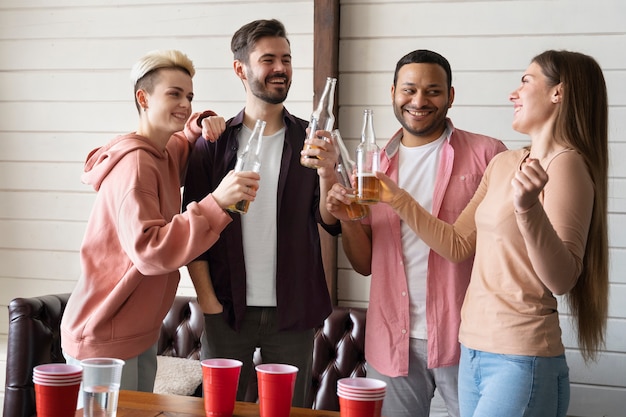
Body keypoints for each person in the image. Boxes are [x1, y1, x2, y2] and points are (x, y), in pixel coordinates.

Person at [363, 50, 609, 417]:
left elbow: (561, 279)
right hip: (472, 350)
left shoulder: (567, 165)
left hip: (522, 357)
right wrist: (395, 197)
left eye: (526, 81)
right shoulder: (505, 162)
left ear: (559, 93)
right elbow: (457, 244)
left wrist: (528, 208)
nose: (514, 93)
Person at [60, 49, 257, 393]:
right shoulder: (135, 165)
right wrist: (216, 203)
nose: (184, 103)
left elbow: (183, 142)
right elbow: (149, 252)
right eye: (174, 94)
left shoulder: (162, 152)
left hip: (136, 332)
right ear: (143, 98)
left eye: (189, 95)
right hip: (103, 335)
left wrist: (201, 121)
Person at [326, 50, 506, 417]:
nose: (419, 101)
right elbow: (363, 265)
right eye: (409, 90)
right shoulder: (371, 165)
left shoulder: (488, 154)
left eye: (433, 91)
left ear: (451, 96)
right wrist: (346, 219)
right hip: (392, 340)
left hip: (470, 337)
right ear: (393, 92)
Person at [182, 19, 341, 406]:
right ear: (241, 69)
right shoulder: (213, 144)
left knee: (291, 412)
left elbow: (330, 221)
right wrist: (209, 305)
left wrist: (328, 172)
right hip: (226, 309)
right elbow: (194, 231)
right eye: (268, 59)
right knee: (219, 411)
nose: (281, 68)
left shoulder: (310, 140)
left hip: (294, 309)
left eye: (286, 59)